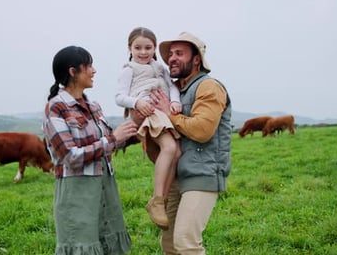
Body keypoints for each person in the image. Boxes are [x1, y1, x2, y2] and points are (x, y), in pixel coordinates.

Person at [43, 45, 137, 255]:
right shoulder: (56, 107)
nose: (94, 71)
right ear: (72, 71)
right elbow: (70, 156)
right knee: (82, 247)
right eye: (89, 66)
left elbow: (111, 142)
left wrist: (136, 131)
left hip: (105, 188)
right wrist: (113, 139)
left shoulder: (94, 106)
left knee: (109, 245)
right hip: (77, 192)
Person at [149, 32, 232, 254]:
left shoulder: (208, 87)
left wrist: (170, 114)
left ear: (196, 60)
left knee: (186, 242)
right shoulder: (175, 91)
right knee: (169, 244)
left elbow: (203, 130)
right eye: (170, 54)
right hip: (178, 177)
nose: (172, 58)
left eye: (179, 53)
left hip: (202, 174)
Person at [115, 27, 182, 230]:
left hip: (163, 111)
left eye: (148, 47)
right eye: (138, 48)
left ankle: (160, 200)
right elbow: (119, 97)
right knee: (170, 148)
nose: (143, 52)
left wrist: (175, 101)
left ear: (154, 48)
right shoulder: (129, 69)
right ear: (130, 48)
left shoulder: (160, 68)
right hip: (148, 111)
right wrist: (136, 103)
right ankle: (158, 200)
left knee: (177, 152)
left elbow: (172, 86)